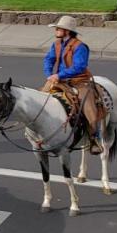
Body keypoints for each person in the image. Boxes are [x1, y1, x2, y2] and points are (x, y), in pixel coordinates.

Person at [42, 15, 104, 154]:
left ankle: (94, 139)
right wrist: (49, 75)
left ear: (67, 31)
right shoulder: (56, 44)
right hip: (59, 80)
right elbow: (48, 60)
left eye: (59, 28)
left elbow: (79, 66)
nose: (56, 30)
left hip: (79, 82)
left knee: (89, 110)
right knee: (40, 98)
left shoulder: (80, 47)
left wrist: (59, 75)